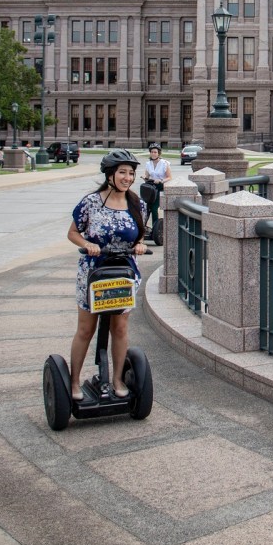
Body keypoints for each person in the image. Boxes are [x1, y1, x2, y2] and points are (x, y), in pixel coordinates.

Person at [67, 149, 148, 400]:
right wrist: (87, 244)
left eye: (131, 173)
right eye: (122, 172)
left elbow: (140, 233)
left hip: (123, 272)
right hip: (94, 272)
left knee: (120, 327)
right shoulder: (91, 202)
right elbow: (72, 233)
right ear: (110, 175)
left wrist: (141, 245)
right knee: (86, 329)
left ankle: (116, 379)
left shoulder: (137, 203)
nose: (127, 177)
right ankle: (73, 383)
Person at [143, 142, 172, 236]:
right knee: (146, 207)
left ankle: (155, 230)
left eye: (155, 152)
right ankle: (143, 227)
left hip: (160, 188)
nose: (153, 154)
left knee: (154, 208)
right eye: (152, 152)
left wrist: (161, 180)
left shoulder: (164, 164)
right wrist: (144, 177)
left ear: (159, 153)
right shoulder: (148, 164)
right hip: (151, 188)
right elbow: (147, 175)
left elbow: (169, 177)